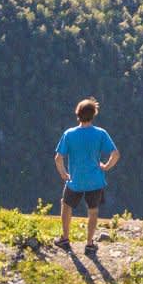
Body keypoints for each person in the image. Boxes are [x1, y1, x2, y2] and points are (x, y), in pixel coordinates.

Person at [53, 97, 119, 255]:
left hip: (74, 180)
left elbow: (58, 158)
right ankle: (89, 243)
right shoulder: (100, 133)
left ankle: (65, 239)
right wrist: (105, 166)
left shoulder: (69, 134)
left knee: (66, 206)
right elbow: (115, 154)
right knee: (93, 211)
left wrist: (63, 174)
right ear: (93, 114)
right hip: (95, 180)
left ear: (78, 114)